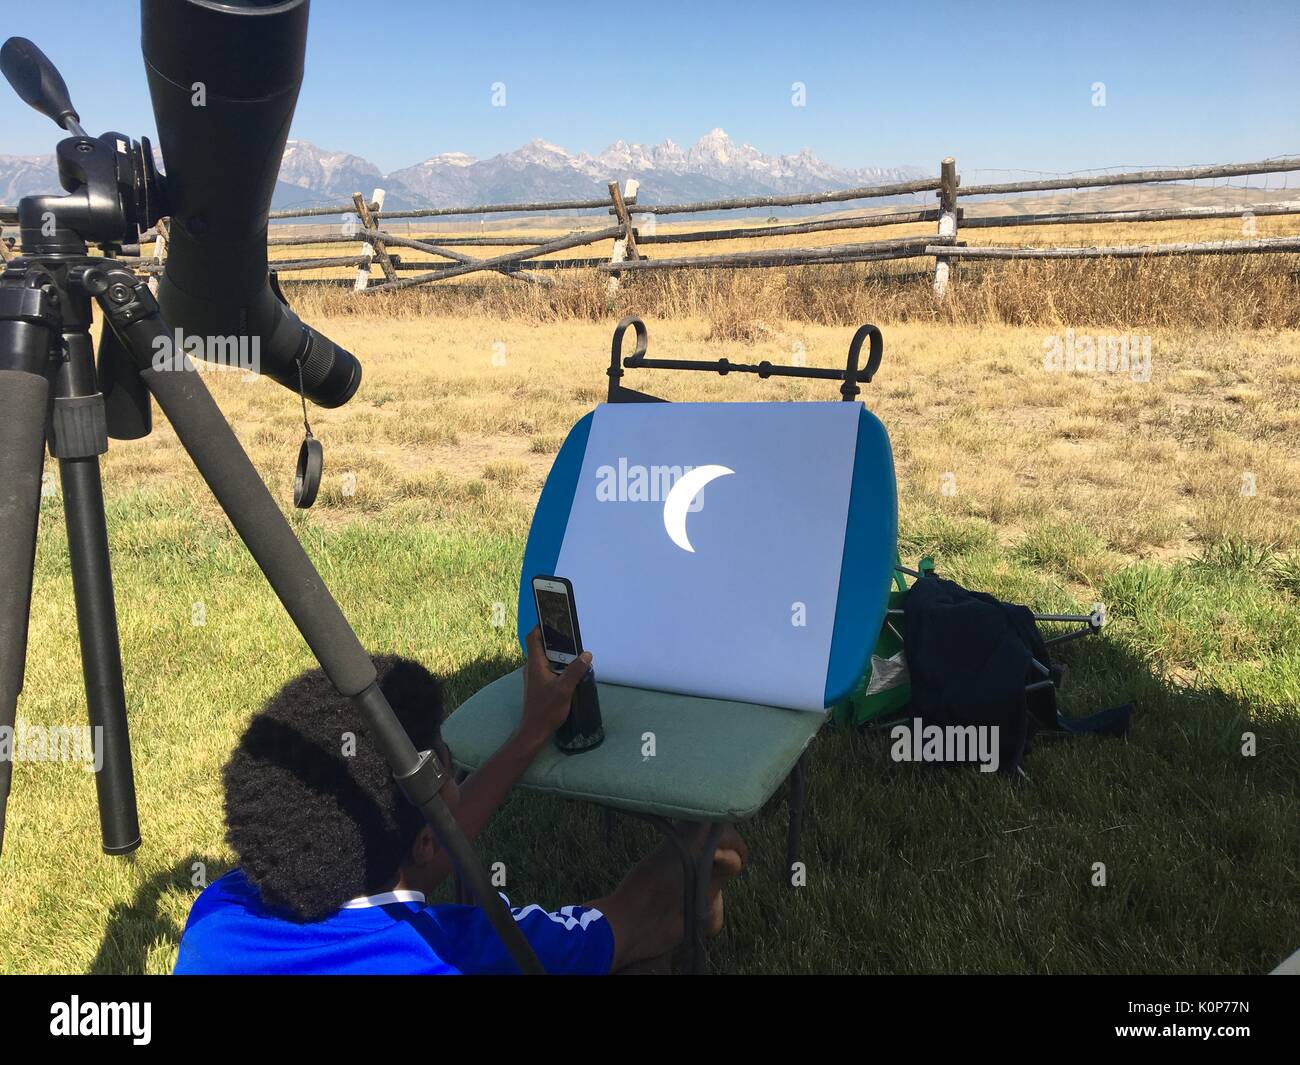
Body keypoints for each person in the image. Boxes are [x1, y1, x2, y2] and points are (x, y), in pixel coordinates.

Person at [173, 628, 746, 974]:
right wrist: (697, 852)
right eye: (448, 765)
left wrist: (528, 735)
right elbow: (626, 924)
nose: (455, 775)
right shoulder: (459, 955)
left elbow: (433, 837)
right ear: (425, 839)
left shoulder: (219, 914)